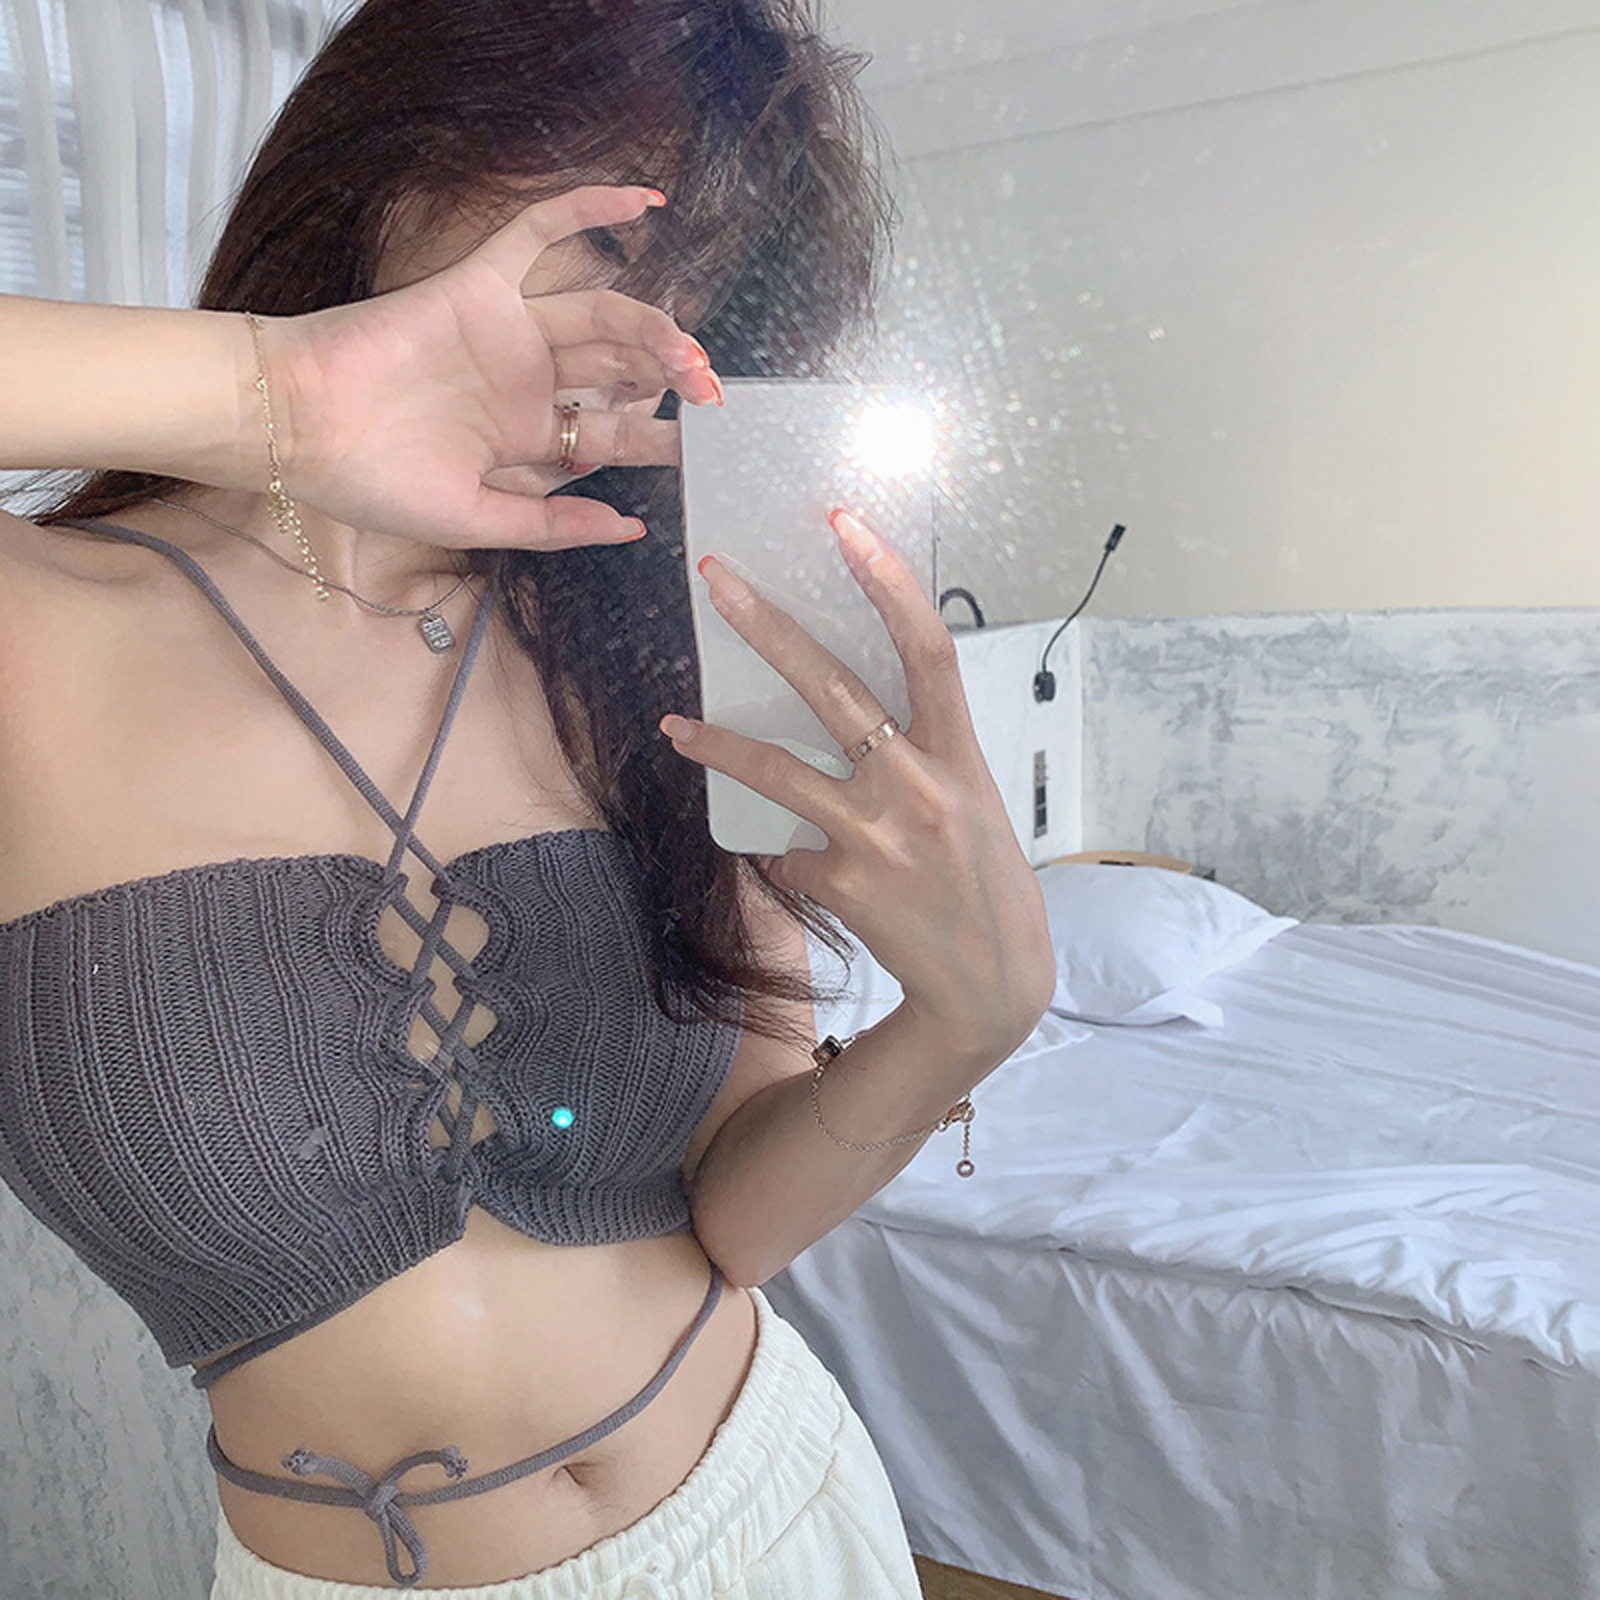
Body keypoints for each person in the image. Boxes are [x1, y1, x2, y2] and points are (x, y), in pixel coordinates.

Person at [0, 0, 1054, 1595]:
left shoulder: (649, 661)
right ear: (403, 150)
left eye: (713, 287)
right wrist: (284, 402)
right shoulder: (38, 633)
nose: (658, 327)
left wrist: (968, 1019)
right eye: (623, 236)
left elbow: (735, 1224)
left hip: (776, 1515)